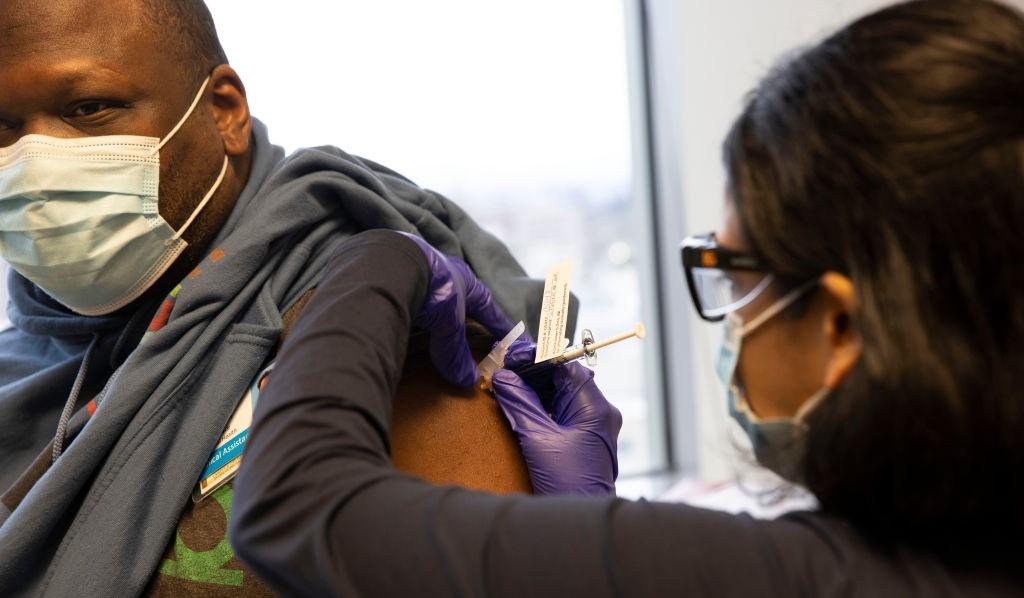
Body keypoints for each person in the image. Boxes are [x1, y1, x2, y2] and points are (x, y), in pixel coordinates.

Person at [231, 0, 1024, 595]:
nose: (732, 318)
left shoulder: (777, 576)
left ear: (843, 322)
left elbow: (295, 508)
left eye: (737, 275)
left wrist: (380, 258)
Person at [0, 1, 559, 596]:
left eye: (89, 109)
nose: (34, 165)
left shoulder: (371, 312)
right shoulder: (26, 354)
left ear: (224, 112)